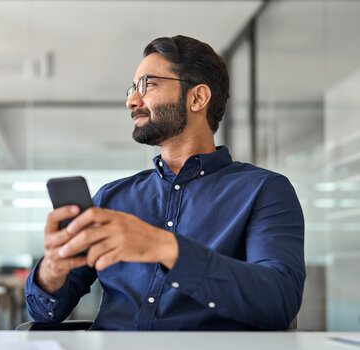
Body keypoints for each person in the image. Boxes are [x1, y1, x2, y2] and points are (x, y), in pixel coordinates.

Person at [24, 35, 305, 331]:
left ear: (197, 98)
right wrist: (51, 270)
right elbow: (45, 313)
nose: (132, 100)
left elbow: (279, 301)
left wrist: (164, 247)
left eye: (148, 85)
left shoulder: (264, 191)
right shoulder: (112, 197)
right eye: (133, 88)